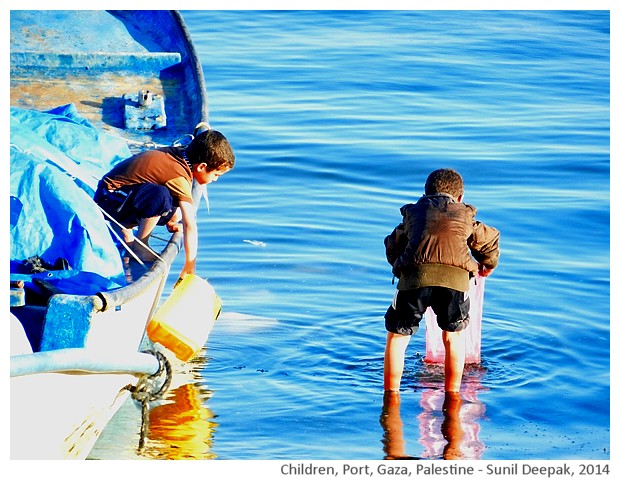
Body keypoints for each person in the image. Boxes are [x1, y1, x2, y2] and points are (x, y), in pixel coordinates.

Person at [383, 168, 499, 393]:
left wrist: (399, 266)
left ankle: (391, 395)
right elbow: (488, 239)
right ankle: (453, 395)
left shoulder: (413, 214)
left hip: (414, 279)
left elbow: (392, 244)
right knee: (453, 336)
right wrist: (487, 265)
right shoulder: (465, 215)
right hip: (454, 280)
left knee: (398, 335)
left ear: (425, 194)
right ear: (460, 197)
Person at [94, 129, 235, 279]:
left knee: (172, 198)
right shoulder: (178, 175)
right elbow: (190, 224)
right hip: (110, 199)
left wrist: (173, 219)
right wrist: (190, 265)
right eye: (216, 175)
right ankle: (141, 246)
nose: (216, 179)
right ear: (201, 167)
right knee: (160, 196)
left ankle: (132, 233)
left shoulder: (182, 156)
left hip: (126, 196)